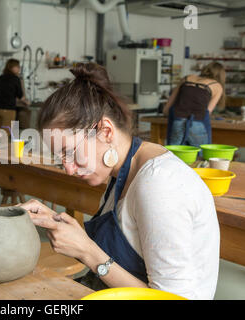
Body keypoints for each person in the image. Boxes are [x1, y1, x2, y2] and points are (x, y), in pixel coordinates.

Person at [18, 63, 220, 300]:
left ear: (105, 131)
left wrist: (87, 251)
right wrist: (56, 222)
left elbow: (174, 299)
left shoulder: (159, 186)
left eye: (70, 152)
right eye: (61, 158)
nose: (69, 170)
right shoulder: (121, 171)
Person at [163, 62, 226, 147]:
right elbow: (208, 111)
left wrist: (166, 114)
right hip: (198, 122)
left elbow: (169, 104)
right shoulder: (217, 86)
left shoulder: (187, 78)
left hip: (178, 120)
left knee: (175, 154)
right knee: (201, 155)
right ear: (221, 75)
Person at [0, 59, 30, 131]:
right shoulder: (15, 78)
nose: (19, 69)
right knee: (6, 133)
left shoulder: (0, 77)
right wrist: (26, 102)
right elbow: (20, 95)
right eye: (18, 67)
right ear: (12, 67)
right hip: (8, 109)